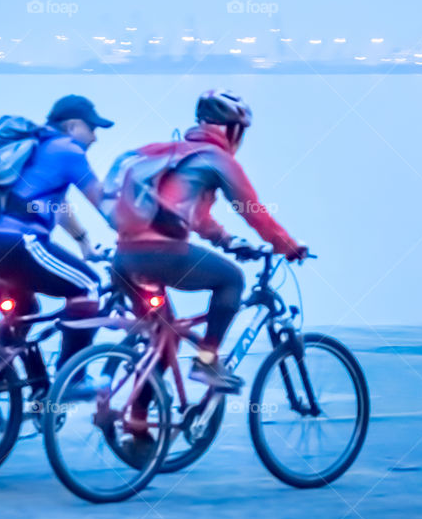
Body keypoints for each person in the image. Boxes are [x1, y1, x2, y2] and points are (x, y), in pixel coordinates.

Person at [107, 89, 309, 397]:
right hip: (162, 255)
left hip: (123, 259)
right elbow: (253, 212)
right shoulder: (217, 159)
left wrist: (228, 241)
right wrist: (288, 246)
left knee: (164, 338)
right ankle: (207, 359)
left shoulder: (175, 154)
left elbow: (196, 218)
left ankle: (137, 428)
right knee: (231, 279)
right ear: (232, 130)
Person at [0, 94, 113, 428]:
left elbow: (47, 204)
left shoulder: (32, 150)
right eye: (92, 128)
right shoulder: (69, 151)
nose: (96, 137)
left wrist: (83, 241)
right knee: (89, 286)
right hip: (12, 244)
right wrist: (146, 229)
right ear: (72, 126)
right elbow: (107, 206)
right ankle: (72, 380)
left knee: (21, 313)